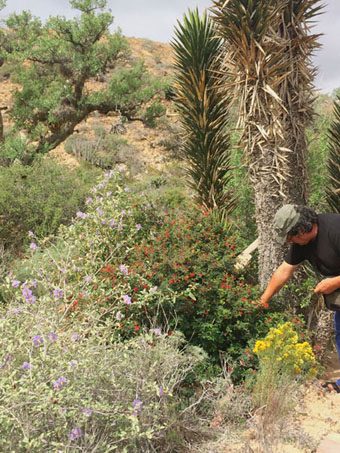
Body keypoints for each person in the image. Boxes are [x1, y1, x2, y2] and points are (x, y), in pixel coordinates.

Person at [260, 204, 340, 392]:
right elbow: (284, 271)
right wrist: (263, 300)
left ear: (302, 229)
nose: (289, 242)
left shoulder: (335, 228)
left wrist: (335, 282)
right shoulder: (301, 243)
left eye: (290, 237)